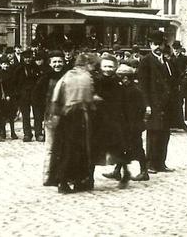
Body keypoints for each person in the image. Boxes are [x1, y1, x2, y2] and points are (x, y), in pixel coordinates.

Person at [49, 51, 99, 193]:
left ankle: (62, 181)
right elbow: (89, 99)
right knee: (80, 150)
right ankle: (77, 181)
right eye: (93, 65)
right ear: (88, 64)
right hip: (80, 117)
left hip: (65, 116)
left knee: (65, 149)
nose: (93, 69)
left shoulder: (67, 75)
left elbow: (56, 96)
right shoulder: (86, 77)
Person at [138, 36, 175, 173]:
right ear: (150, 45)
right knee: (153, 133)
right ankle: (150, 163)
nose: (158, 47)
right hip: (153, 103)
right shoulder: (146, 61)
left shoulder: (166, 61)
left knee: (165, 133)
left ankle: (161, 163)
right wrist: (146, 104)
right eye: (155, 44)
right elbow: (142, 86)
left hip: (165, 104)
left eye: (161, 44)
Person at [94, 55, 128, 185]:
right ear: (101, 67)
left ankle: (122, 171)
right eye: (105, 66)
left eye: (110, 66)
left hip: (115, 119)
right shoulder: (96, 81)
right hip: (99, 119)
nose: (108, 69)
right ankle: (89, 177)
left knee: (118, 147)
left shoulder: (118, 82)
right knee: (95, 148)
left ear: (115, 67)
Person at [114, 60, 149, 181]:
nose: (120, 80)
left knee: (137, 148)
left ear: (126, 78)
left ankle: (144, 172)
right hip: (128, 124)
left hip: (133, 125)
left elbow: (138, 110)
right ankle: (117, 171)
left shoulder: (133, 91)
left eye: (121, 78)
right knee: (124, 147)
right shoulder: (127, 89)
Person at [40, 50, 67, 185]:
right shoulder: (45, 78)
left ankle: (60, 175)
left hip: (65, 117)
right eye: (55, 62)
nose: (57, 64)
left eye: (60, 61)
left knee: (63, 147)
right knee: (50, 147)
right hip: (50, 117)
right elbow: (37, 97)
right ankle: (48, 176)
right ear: (50, 63)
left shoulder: (68, 76)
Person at [13, 49, 40, 142]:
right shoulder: (19, 69)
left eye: (29, 58)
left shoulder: (35, 67)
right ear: (23, 58)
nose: (28, 60)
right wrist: (18, 94)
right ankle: (27, 134)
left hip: (35, 94)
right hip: (23, 95)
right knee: (25, 115)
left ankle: (38, 133)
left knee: (37, 114)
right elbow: (15, 83)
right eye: (26, 58)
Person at [0, 56, 18, 141]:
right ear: (0, 65)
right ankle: (3, 133)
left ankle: (13, 132)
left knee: (11, 116)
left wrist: (10, 95)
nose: (5, 65)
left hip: (10, 97)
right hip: (1, 98)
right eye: (3, 64)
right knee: (2, 117)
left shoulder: (11, 73)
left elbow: (13, 86)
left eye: (6, 64)